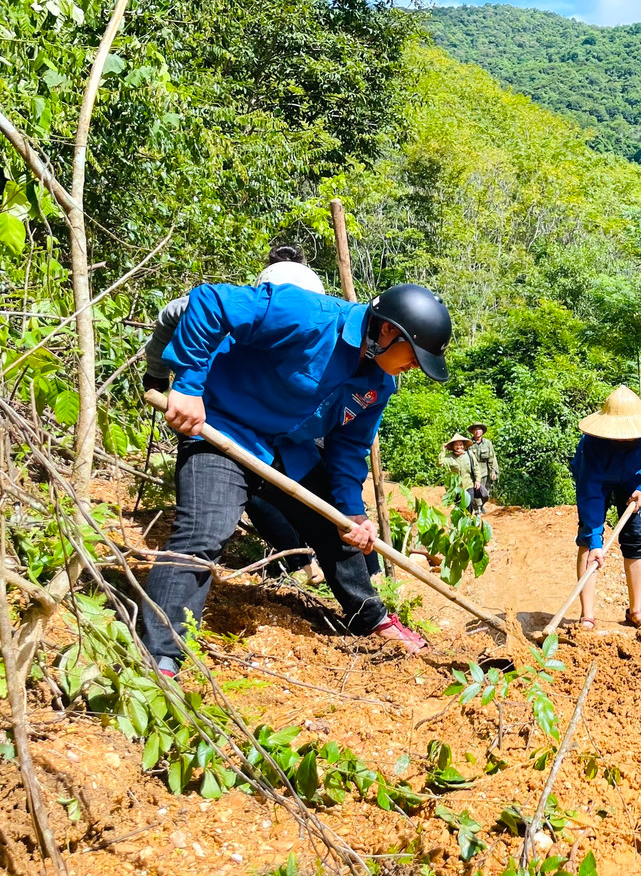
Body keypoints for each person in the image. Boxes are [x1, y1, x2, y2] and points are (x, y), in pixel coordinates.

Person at [138, 273, 453, 674]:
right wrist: (189, 384)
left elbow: (349, 446)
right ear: (388, 331)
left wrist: (353, 512)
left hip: (289, 449)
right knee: (204, 531)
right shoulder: (308, 315)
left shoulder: (380, 384)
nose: (412, 368)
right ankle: (162, 655)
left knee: (335, 528)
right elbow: (211, 303)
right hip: (222, 429)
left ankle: (369, 618)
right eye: (413, 356)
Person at [143, 250, 331, 587]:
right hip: (224, 418)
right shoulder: (239, 310)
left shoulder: (320, 328)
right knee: (252, 496)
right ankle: (302, 561)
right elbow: (172, 316)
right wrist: (162, 378)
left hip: (290, 424)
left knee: (318, 495)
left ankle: (349, 571)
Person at [570, 385, 641, 630]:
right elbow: (590, 492)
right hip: (597, 479)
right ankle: (588, 615)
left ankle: (636, 611)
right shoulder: (593, 443)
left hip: (634, 482)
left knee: (634, 537)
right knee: (588, 538)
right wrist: (596, 542)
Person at [438, 433, 480, 507]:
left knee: (469, 503)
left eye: (461, 444)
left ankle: (469, 518)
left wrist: (477, 480)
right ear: (453, 446)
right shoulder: (449, 457)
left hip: (468, 485)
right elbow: (439, 463)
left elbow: (476, 467)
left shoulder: (469, 454)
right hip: (456, 487)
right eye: (456, 445)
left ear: (464, 445)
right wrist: (443, 451)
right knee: (459, 507)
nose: (459, 446)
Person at [467, 421, 499, 514]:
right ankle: (477, 508)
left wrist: (493, 471)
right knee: (475, 491)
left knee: (484, 492)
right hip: (472, 472)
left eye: (479, 429)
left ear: (482, 431)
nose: (477, 431)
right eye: (475, 429)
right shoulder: (469, 443)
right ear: (472, 431)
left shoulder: (487, 443)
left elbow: (492, 458)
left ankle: (481, 505)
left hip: (484, 471)